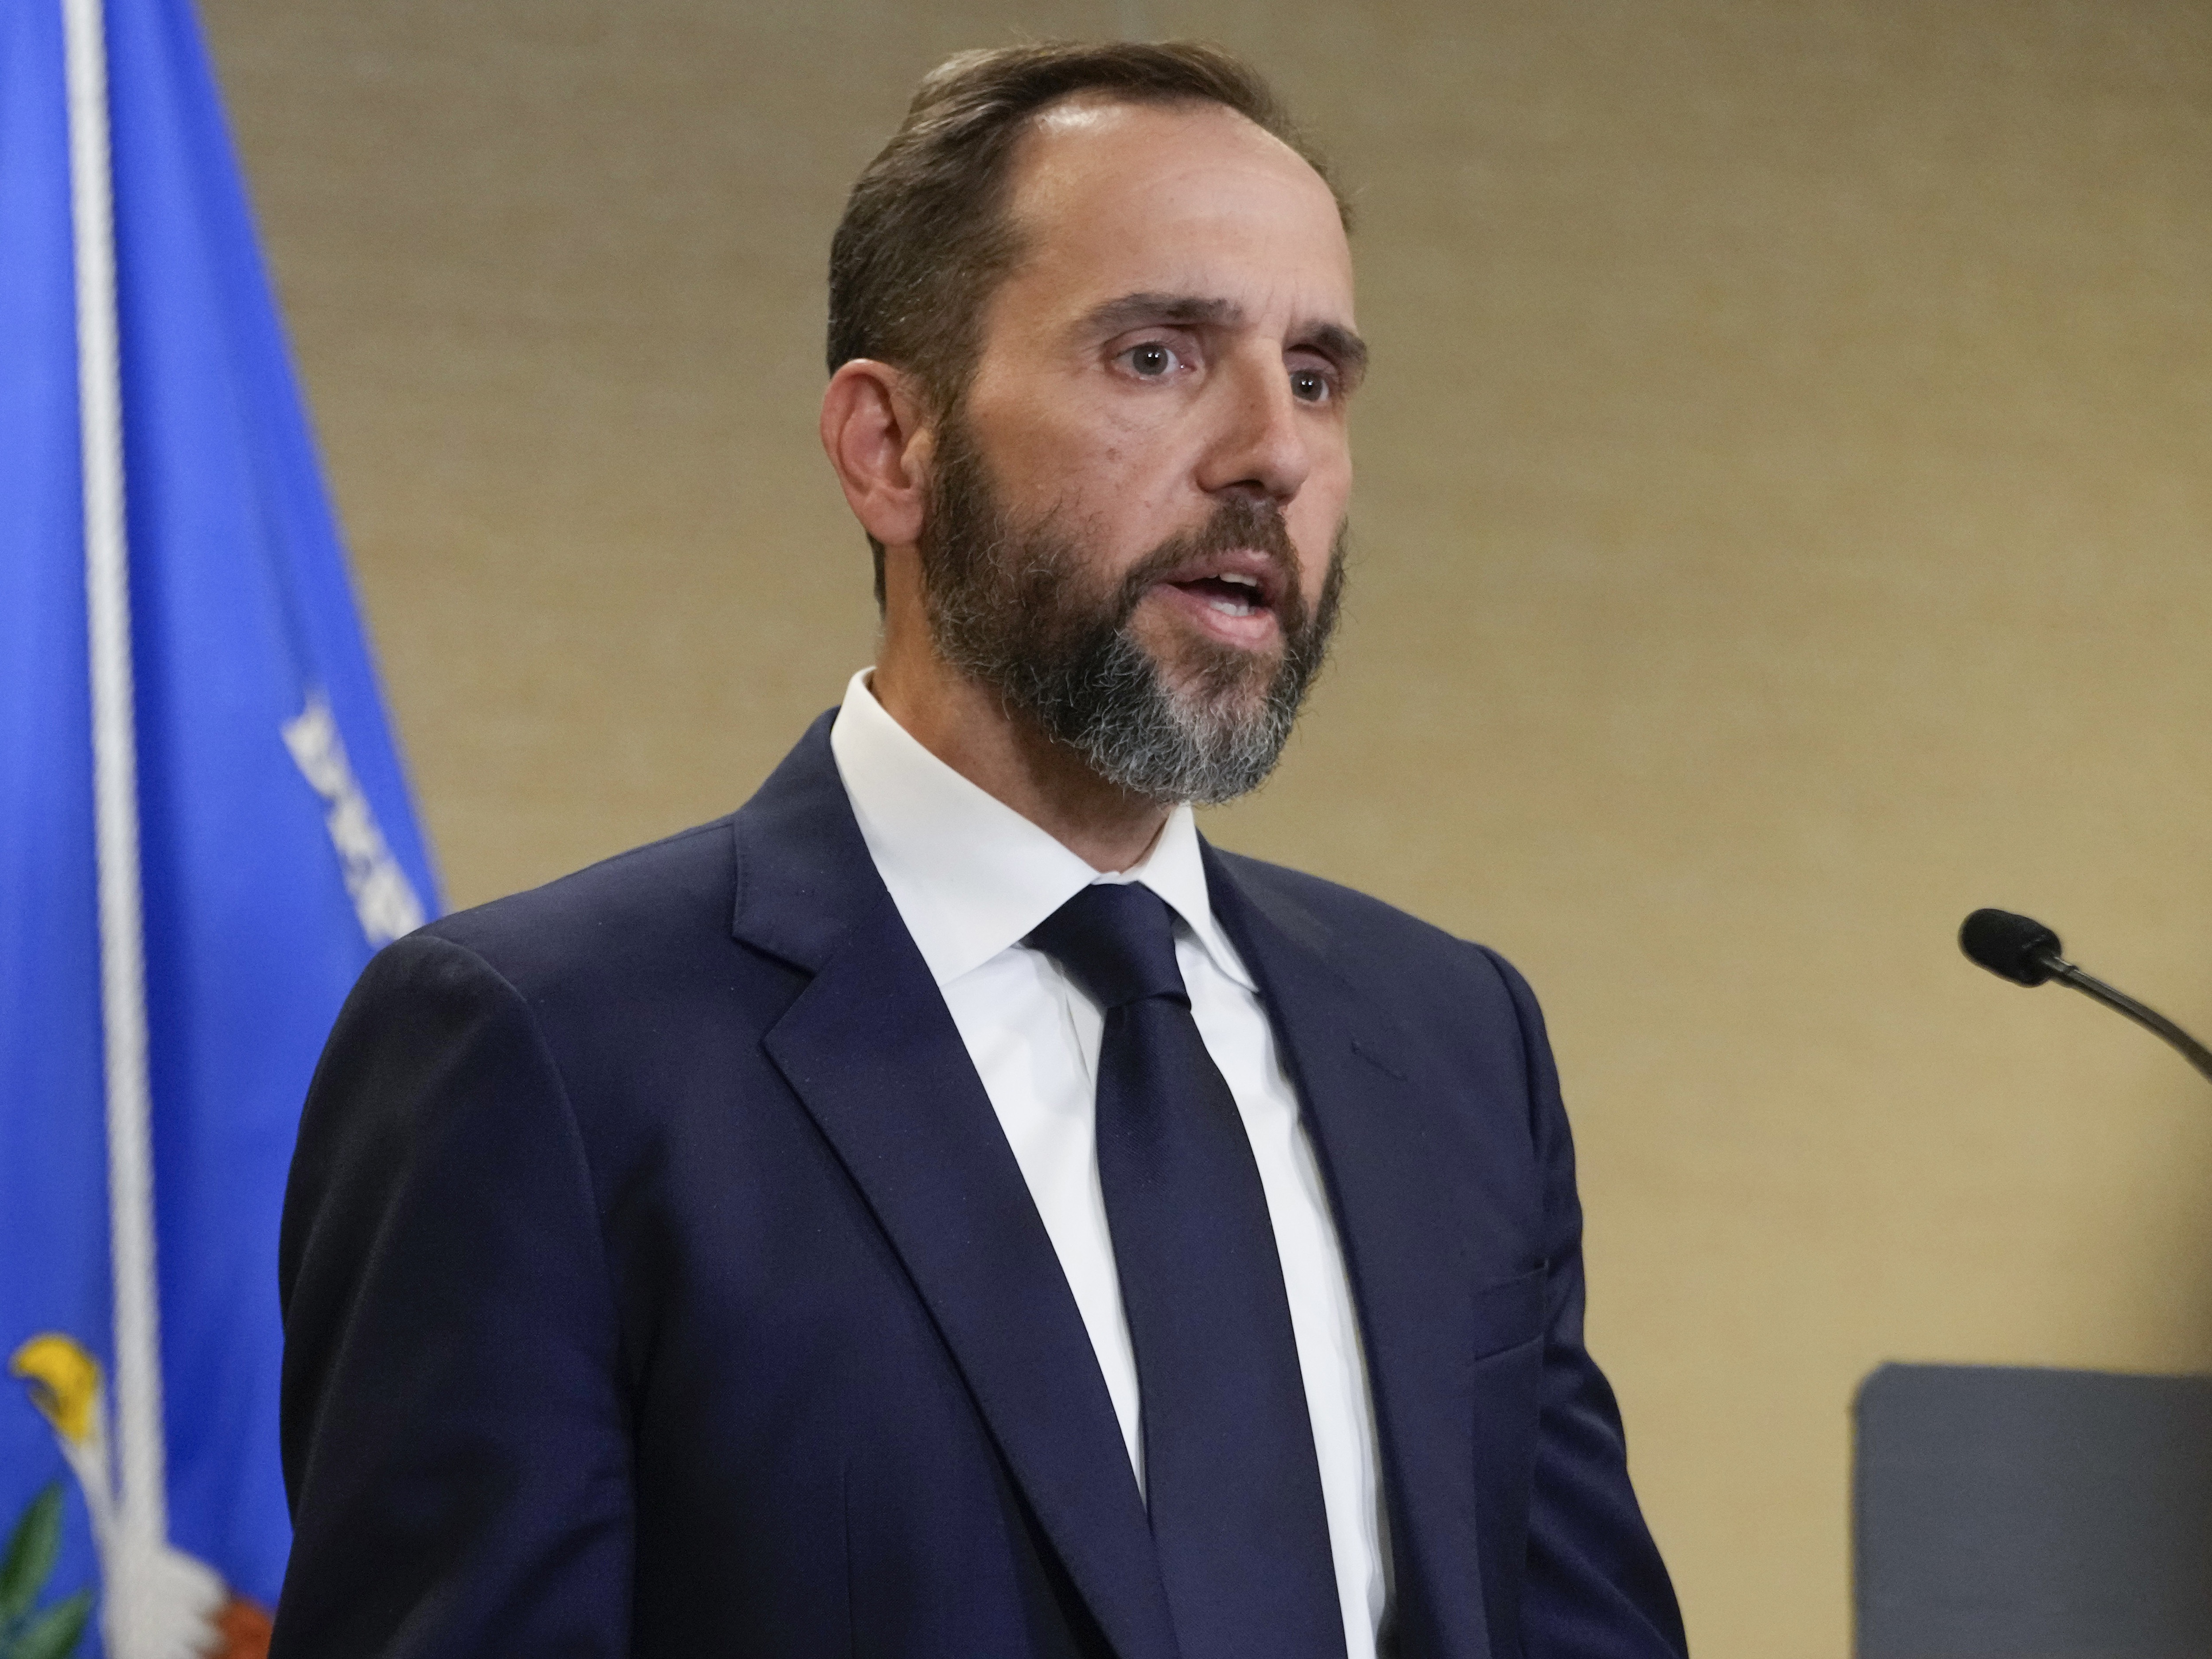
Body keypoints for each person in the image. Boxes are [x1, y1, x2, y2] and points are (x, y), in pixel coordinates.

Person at [272, 41, 1687, 1659]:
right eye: (1158, 355)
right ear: (891, 449)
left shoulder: (1451, 1044)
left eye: (1314, 375)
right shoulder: (545, 1052)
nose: (1271, 453)